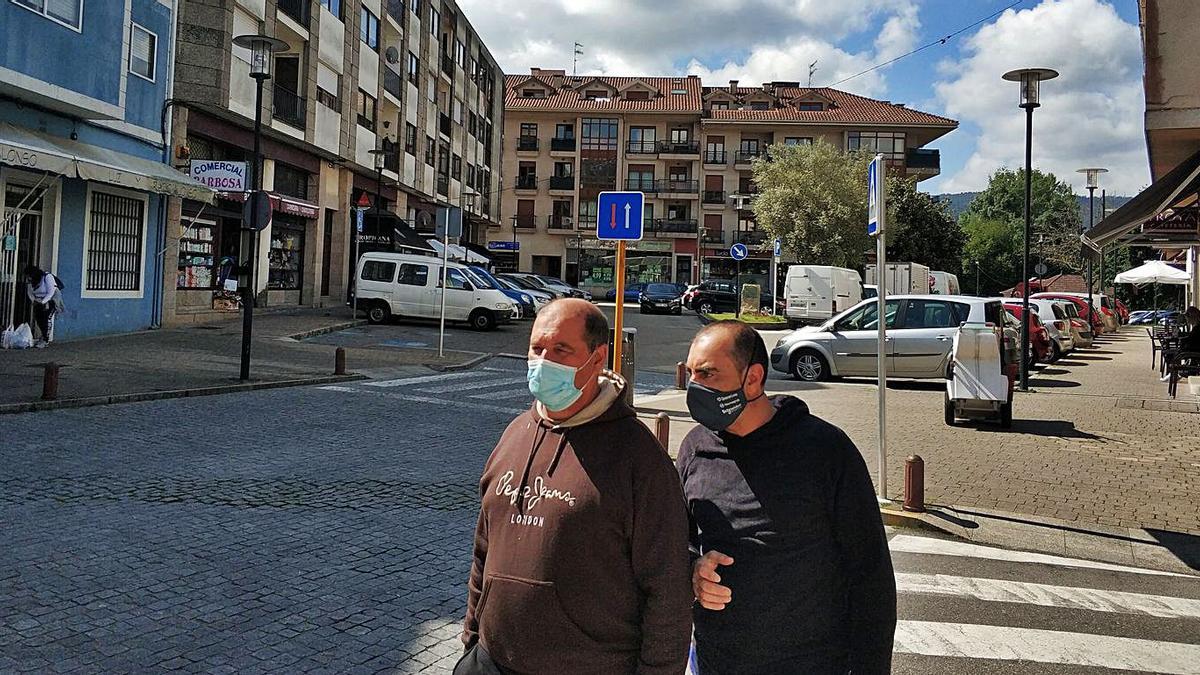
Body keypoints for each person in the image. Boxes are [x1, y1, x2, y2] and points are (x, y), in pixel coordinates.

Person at [458, 298, 692, 675]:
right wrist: (471, 640)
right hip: (491, 662)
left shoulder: (638, 458)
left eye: (561, 350)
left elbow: (668, 588)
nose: (543, 361)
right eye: (537, 348)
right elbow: (484, 549)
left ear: (597, 359)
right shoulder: (515, 433)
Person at [677, 321, 896, 675]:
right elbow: (677, 541)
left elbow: (871, 575)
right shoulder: (694, 449)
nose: (694, 387)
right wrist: (693, 570)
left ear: (753, 378)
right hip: (714, 661)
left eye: (708, 374)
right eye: (691, 374)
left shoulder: (824, 450)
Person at [23, 265, 63, 348]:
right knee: (39, 318)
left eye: (29, 276)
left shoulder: (47, 277)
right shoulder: (31, 282)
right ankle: (43, 335)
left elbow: (51, 291)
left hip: (51, 299)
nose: (28, 278)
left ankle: (45, 339)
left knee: (47, 318)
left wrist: (44, 302)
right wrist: (34, 300)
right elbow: (30, 292)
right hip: (38, 300)